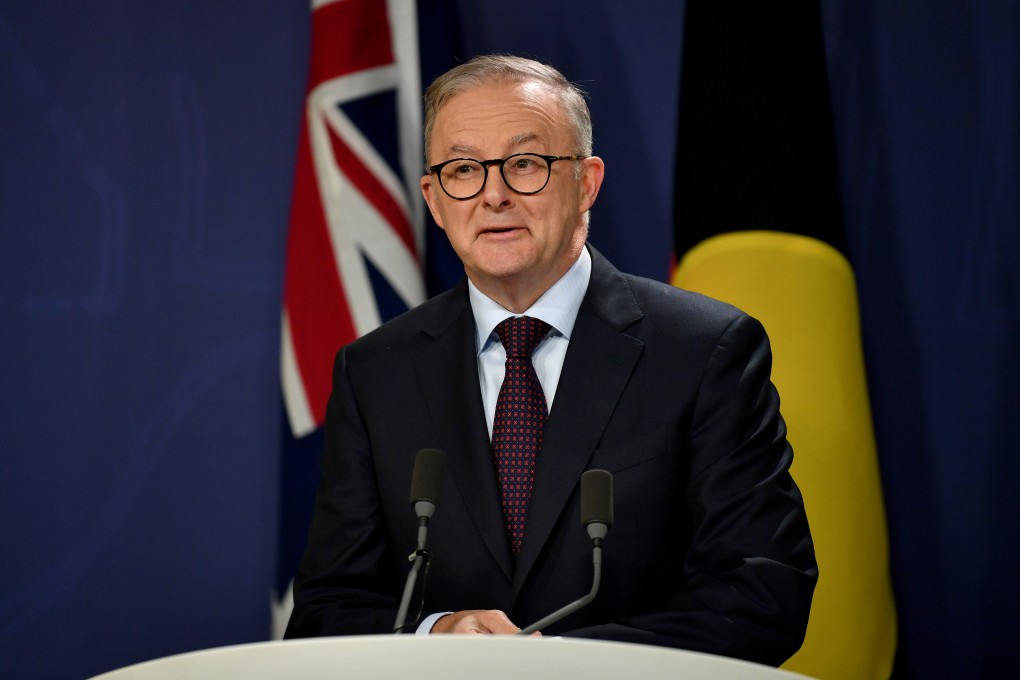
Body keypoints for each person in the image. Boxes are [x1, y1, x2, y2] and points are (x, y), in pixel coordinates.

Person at [285, 54, 816, 666]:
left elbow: (763, 593)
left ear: (586, 182)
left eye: (526, 165)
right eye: (463, 170)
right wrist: (435, 634)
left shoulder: (704, 350)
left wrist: (557, 663)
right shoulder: (376, 371)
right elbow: (325, 612)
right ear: (433, 199)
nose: (494, 195)